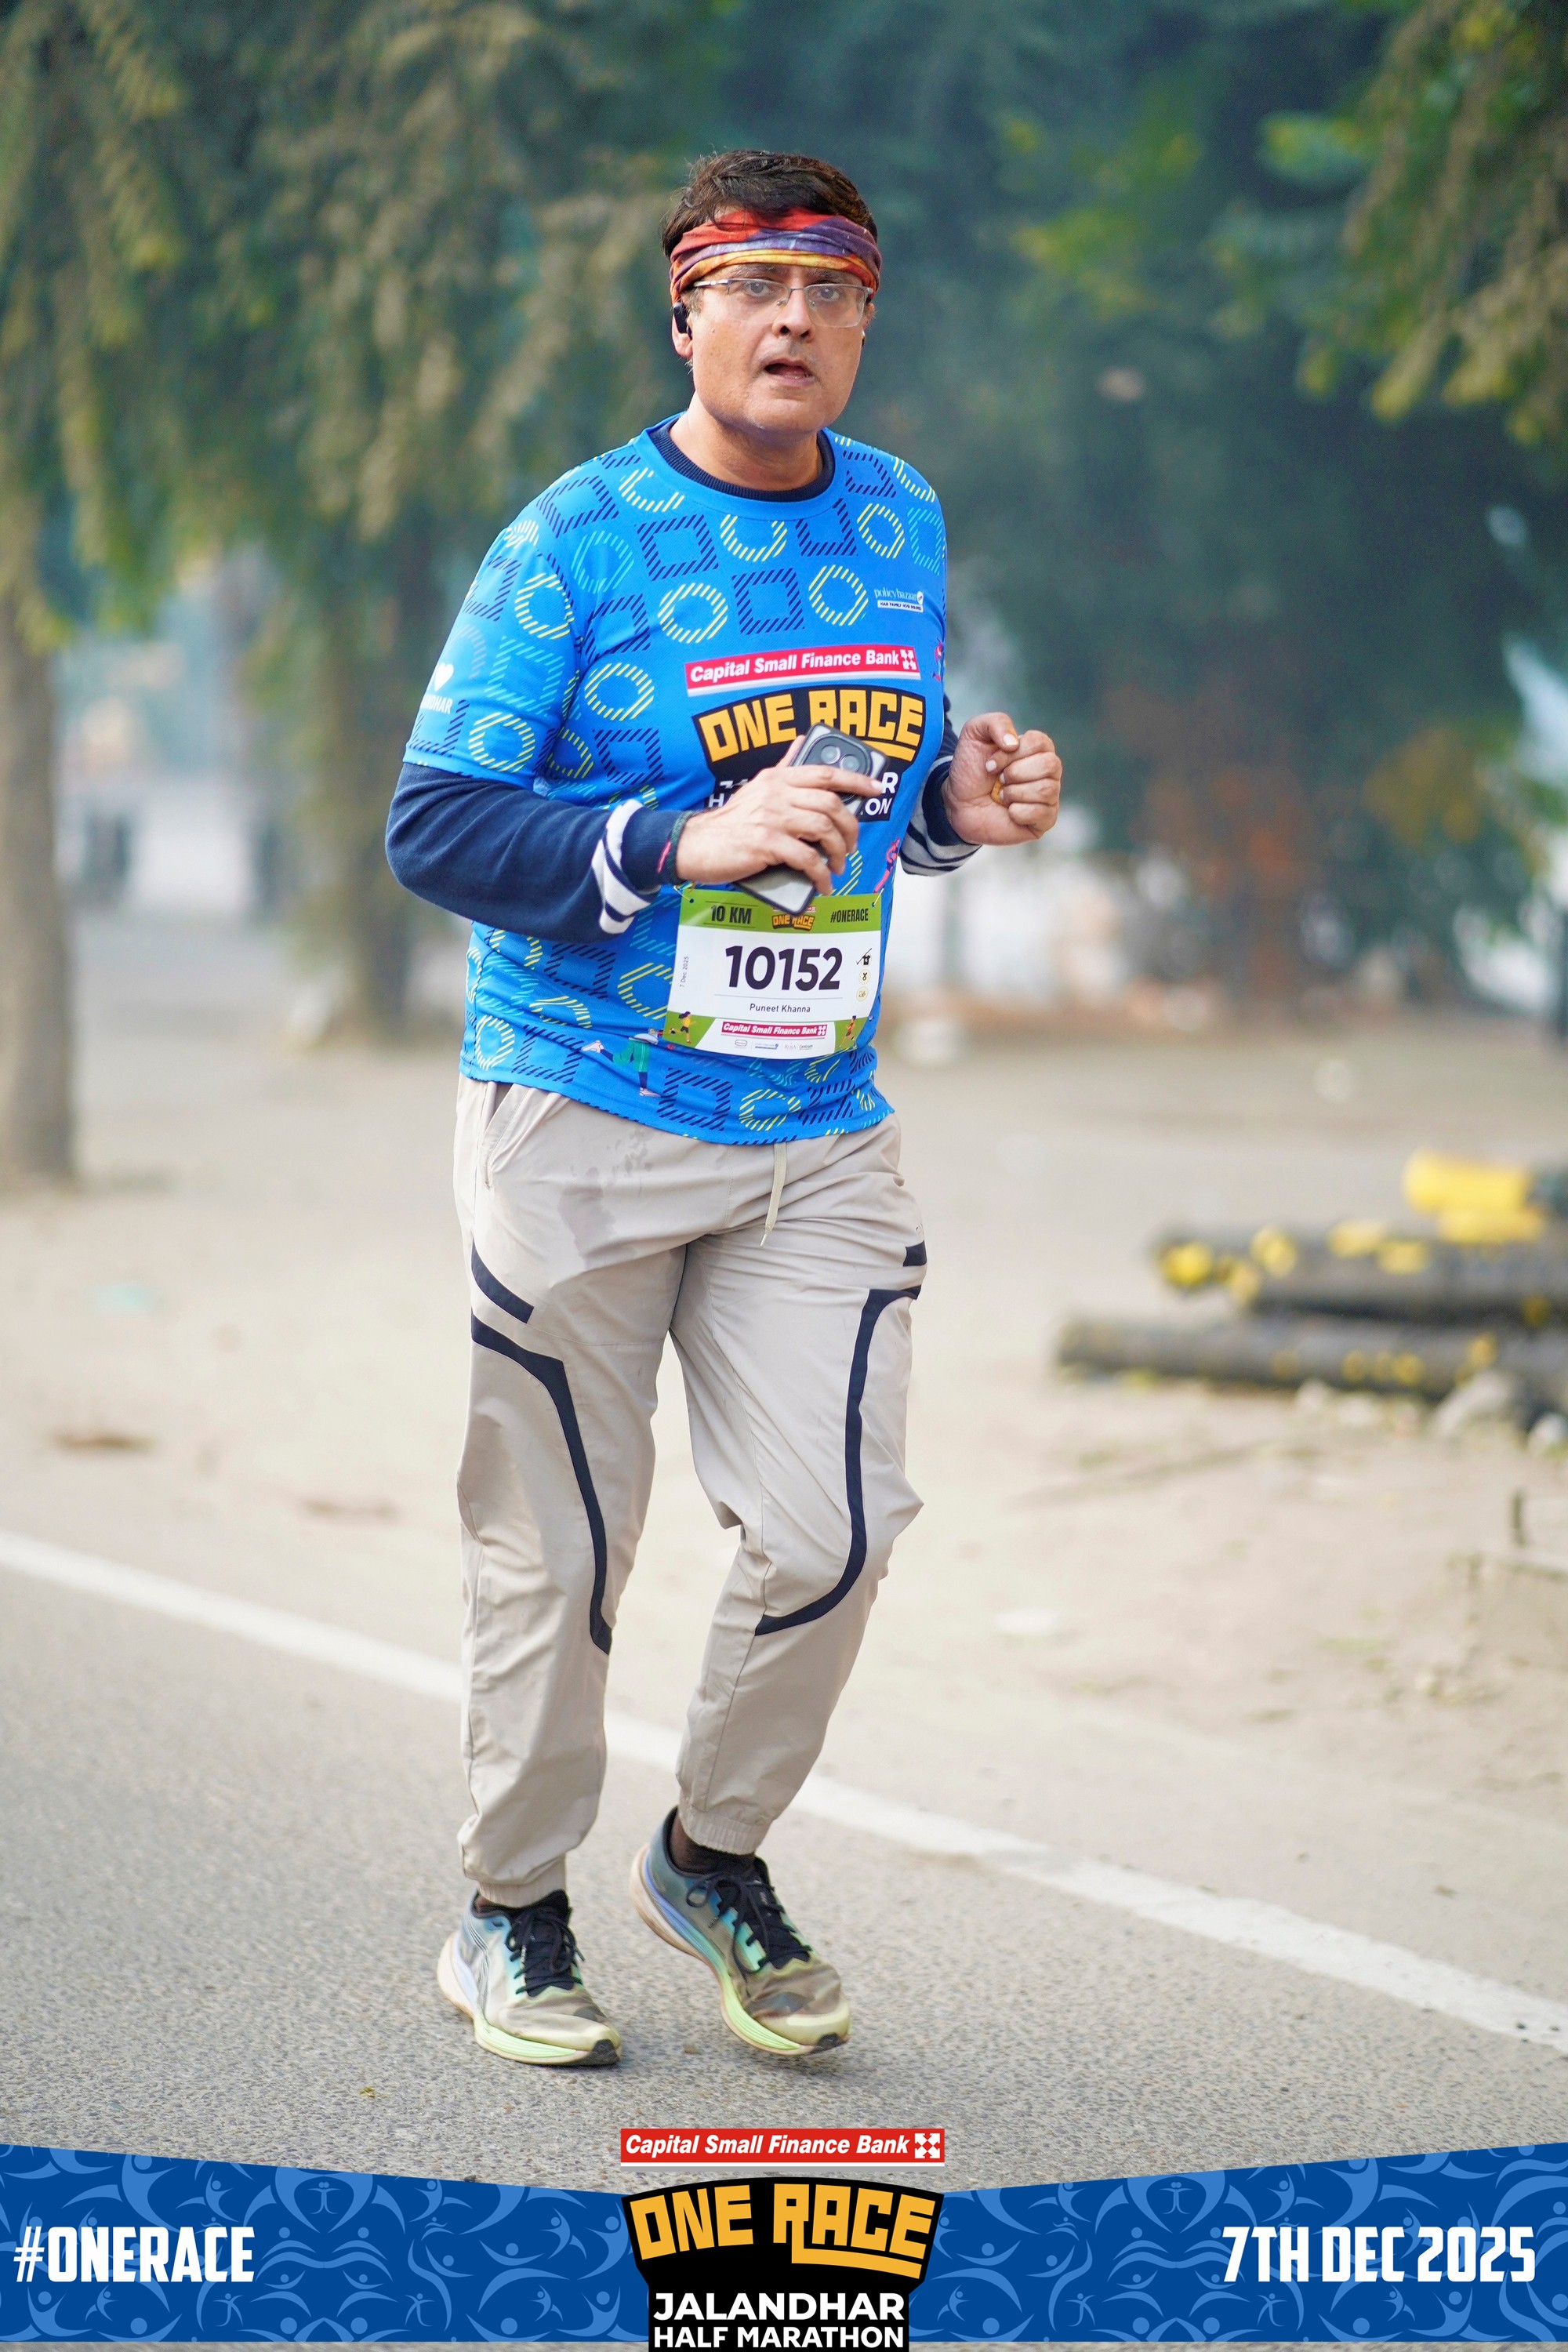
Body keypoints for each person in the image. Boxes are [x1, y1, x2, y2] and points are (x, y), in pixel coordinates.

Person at [387, 147, 1062, 2069]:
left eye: (832, 290)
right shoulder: (574, 541)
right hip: (580, 1117)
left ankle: (709, 1857)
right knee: (560, 1554)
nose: (794, 320)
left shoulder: (900, 515)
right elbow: (435, 824)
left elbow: (862, 792)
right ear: (683, 315)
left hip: (813, 1134)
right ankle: (511, 1913)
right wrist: (675, 839)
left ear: (866, 323)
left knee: (838, 1529)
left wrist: (955, 811)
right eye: (754, 285)